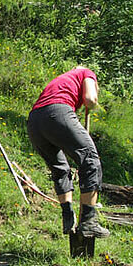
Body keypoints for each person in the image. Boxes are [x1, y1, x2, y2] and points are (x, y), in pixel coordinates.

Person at [27, 66, 110, 239]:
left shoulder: (63, 80)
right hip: (57, 112)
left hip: (34, 121)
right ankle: (89, 222)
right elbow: (89, 99)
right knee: (90, 159)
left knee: (60, 169)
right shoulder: (86, 72)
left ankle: (68, 216)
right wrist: (93, 102)